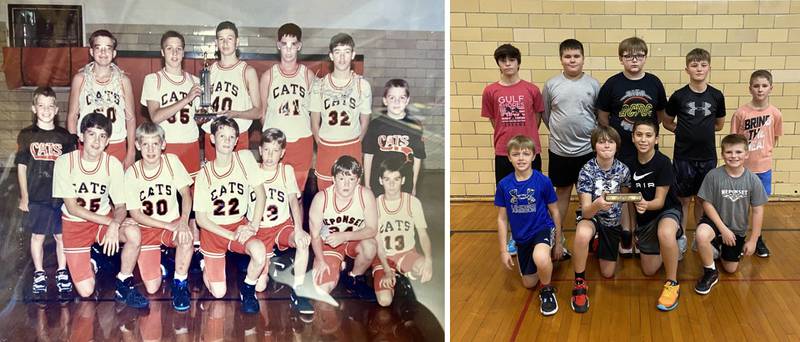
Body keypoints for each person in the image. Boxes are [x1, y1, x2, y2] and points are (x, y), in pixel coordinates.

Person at [52, 113, 148, 308]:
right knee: (86, 291)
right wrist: (111, 223)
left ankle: (124, 282)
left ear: (107, 142)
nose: (96, 141)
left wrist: (115, 223)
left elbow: (121, 206)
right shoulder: (64, 162)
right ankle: (95, 257)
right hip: (75, 225)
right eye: (91, 134)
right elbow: (73, 208)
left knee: (133, 232)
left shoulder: (112, 164)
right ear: (81, 136)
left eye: (102, 136)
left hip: (101, 221)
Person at [596, 36, 667, 256]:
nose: (634, 60)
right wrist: (617, 138)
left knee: (643, 190)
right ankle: (626, 230)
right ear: (621, 58)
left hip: (645, 151)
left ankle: (642, 231)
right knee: (625, 190)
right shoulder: (612, 84)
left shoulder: (654, 82)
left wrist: (645, 138)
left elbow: (661, 115)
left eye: (639, 55)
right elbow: (603, 116)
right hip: (623, 150)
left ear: (645, 57)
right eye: (628, 56)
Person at [193, 117, 267, 313]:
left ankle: (248, 289)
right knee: (218, 292)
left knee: (260, 256)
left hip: (238, 225)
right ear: (212, 139)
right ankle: (203, 263)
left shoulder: (244, 159)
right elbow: (201, 220)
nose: (226, 141)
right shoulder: (204, 174)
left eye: (231, 137)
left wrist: (253, 226)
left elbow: (261, 194)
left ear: (236, 141)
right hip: (213, 232)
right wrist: (231, 236)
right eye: (222, 136)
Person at [481, 43, 544, 256]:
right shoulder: (490, 91)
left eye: (511, 60)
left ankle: (539, 232)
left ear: (518, 62)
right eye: (503, 60)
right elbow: (493, 119)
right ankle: (512, 237)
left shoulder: (532, 89)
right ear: (498, 63)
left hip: (530, 150)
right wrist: (508, 140)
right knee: (509, 197)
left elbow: (536, 118)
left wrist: (525, 139)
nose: (508, 64)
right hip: (503, 152)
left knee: (535, 195)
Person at [124, 122, 194, 311]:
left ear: (163, 144)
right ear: (138, 146)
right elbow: (136, 214)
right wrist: (166, 225)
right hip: (146, 229)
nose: (150, 149)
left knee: (186, 237)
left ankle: (180, 284)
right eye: (145, 144)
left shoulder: (172, 161)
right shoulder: (132, 173)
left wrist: (183, 221)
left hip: (171, 224)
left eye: (155, 144)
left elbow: (186, 194)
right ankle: (166, 262)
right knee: (152, 288)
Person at [662, 48, 726, 248]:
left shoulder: (716, 95)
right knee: (683, 200)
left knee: (702, 199)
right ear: (687, 69)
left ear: (709, 68)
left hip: (707, 157)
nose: (699, 69)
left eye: (703, 65)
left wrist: (701, 133)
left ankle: (701, 237)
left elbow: (719, 124)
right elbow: (667, 122)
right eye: (694, 65)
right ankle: (680, 237)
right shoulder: (679, 96)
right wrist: (683, 132)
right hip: (683, 157)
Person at [17, 87, 77, 297]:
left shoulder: (65, 137)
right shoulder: (26, 135)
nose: (46, 110)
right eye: (41, 106)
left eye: (50, 106)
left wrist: (72, 195)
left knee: (61, 237)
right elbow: (22, 167)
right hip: (37, 195)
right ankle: (40, 272)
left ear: (56, 108)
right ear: (34, 108)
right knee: (38, 236)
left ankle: (62, 271)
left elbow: (72, 168)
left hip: (60, 196)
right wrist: (24, 196)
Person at [542, 38, 599, 260]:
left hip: (587, 150)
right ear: (561, 59)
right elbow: (546, 114)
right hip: (560, 151)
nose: (572, 60)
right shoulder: (551, 84)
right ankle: (558, 236)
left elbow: (598, 114)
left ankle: (595, 234)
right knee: (562, 193)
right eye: (568, 56)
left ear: (583, 58)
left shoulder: (593, 84)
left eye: (576, 56)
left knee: (591, 195)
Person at [247, 128, 314, 314]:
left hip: (281, 226)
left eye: (275, 151)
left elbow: (294, 200)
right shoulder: (251, 171)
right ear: (260, 150)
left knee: (303, 242)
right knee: (260, 287)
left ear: (282, 152)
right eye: (266, 150)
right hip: (259, 231)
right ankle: (265, 263)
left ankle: (299, 291)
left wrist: (299, 229)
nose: (270, 155)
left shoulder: (286, 171)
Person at [495, 135, 562, 316]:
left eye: (526, 153)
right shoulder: (504, 185)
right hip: (521, 237)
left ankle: (547, 290)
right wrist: (503, 250)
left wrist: (559, 242)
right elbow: (502, 219)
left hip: (542, 228)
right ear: (509, 157)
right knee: (529, 283)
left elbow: (555, 211)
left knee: (540, 257)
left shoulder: (543, 181)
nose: (521, 158)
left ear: (533, 156)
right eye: (516, 154)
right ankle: (541, 262)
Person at [693, 134, 768, 295]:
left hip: (737, 229)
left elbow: (758, 210)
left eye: (739, 152)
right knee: (701, 234)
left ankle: (717, 249)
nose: (734, 156)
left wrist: (754, 240)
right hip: (715, 223)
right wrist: (723, 229)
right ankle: (710, 272)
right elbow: (706, 203)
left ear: (746, 154)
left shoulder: (753, 180)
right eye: (729, 152)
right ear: (722, 154)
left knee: (730, 269)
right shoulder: (713, 175)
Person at [571, 126, 631, 313]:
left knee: (607, 273)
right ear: (594, 146)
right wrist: (598, 205)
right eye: (601, 141)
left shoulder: (623, 170)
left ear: (617, 146)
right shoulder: (587, 170)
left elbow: (626, 201)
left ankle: (597, 244)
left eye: (610, 141)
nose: (606, 145)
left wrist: (627, 230)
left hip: (612, 222)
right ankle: (579, 282)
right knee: (582, 235)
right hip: (592, 218)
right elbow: (587, 211)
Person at [628, 120, 685, 311]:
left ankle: (672, 284)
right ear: (633, 137)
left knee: (665, 234)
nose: (643, 139)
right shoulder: (628, 163)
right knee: (649, 270)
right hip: (645, 218)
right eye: (639, 135)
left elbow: (659, 202)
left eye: (648, 135)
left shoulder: (663, 163)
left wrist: (644, 204)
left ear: (656, 139)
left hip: (665, 211)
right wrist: (632, 226)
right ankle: (671, 248)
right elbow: (628, 199)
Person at [309, 155, 378, 300]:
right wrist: (321, 260)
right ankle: (337, 266)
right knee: (322, 290)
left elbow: (372, 229)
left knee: (371, 246)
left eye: (351, 179)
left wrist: (344, 236)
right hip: (329, 244)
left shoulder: (365, 195)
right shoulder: (321, 199)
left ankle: (354, 277)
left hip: (354, 240)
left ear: (358, 181)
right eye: (341, 179)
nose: (346, 184)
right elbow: (315, 236)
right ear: (333, 179)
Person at [309, 33, 372, 190]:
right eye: (337, 52)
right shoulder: (319, 85)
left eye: (346, 52)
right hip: (327, 147)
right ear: (331, 56)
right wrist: (321, 143)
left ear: (353, 55)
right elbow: (314, 121)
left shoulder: (362, 85)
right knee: (325, 195)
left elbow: (365, 121)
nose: (342, 58)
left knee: (351, 195)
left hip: (351, 146)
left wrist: (356, 142)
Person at [259, 23, 317, 192]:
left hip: (301, 142)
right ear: (278, 45)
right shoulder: (268, 76)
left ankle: (296, 220)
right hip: (275, 143)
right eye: (284, 44)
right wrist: (273, 134)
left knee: (296, 195)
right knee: (273, 193)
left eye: (293, 45)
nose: (289, 50)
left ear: (299, 46)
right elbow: (262, 113)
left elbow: (314, 114)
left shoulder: (308, 75)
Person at [731, 69, 782, 258]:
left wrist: (764, 154)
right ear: (750, 88)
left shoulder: (775, 113)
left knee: (758, 207)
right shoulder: (741, 113)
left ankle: (757, 237)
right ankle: (739, 236)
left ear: (771, 88)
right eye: (756, 86)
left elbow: (774, 138)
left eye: (764, 86)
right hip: (743, 169)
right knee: (740, 205)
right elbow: (734, 141)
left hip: (763, 168)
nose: (760, 89)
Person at [67, 29, 136, 168]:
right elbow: (72, 116)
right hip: (88, 144)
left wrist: (131, 151)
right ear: (91, 52)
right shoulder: (80, 79)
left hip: (116, 143)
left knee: (115, 189)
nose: (103, 53)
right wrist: (72, 148)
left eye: (108, 48)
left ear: (114, 53)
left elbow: (131, 118)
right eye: (99, 48)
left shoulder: (123, 81)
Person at [140, 30, 203, 179]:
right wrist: (186, 99)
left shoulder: (195, 81)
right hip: (165, 145)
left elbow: (198, 117)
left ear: (183, 53)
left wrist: (205, 118)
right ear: (162, 52)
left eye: (178, 49)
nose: (174, 53)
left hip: (190, 144)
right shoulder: (153, 79)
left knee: (190, 194)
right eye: (169, 48)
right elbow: (155, 116)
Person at [373, 158, 434, 307]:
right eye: (387, 179)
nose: (392, 184)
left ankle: (402, 272)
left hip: (406, 253)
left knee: (424, 270)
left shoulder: (413, 202)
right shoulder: (375, 204)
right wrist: (387, 270)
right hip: (383, 256)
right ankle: (390, 275)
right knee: (385, 301)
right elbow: (377, 243)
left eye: (396, 179)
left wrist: (429, 260)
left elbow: (423, 235)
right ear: (381, 181)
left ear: (403, 180)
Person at [200, 21, 261, 161]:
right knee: (214, 179)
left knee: (238, 181)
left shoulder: (247, 71)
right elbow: (202, 109)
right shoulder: (208, 71)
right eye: (221, 39)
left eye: (230, 38)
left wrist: (235, 114)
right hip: (213, 135)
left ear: (237, 42)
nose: (225, 43)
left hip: (237, 135)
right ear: (216, 43)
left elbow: (258, 111)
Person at [363, 79, 426, 196]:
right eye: (392, 98)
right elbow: (368, 155)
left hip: (404, 183)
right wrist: (367, 184)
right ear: (385, 100)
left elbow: (418, 158)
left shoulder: (414, 126)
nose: (397, 102)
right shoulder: (375, 125)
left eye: (401, 98)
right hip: (379, 183)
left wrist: (413, 185)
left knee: (401, 213)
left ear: (407, 100)